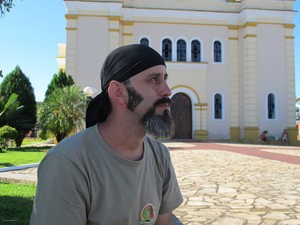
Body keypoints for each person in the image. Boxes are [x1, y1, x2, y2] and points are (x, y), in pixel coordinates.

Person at [30, 44, 183, 225]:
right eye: (154, 79)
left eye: (165, 78)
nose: (167, 90)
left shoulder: (160, 155)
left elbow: (163, 222)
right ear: (119, 92)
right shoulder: (68, 162)